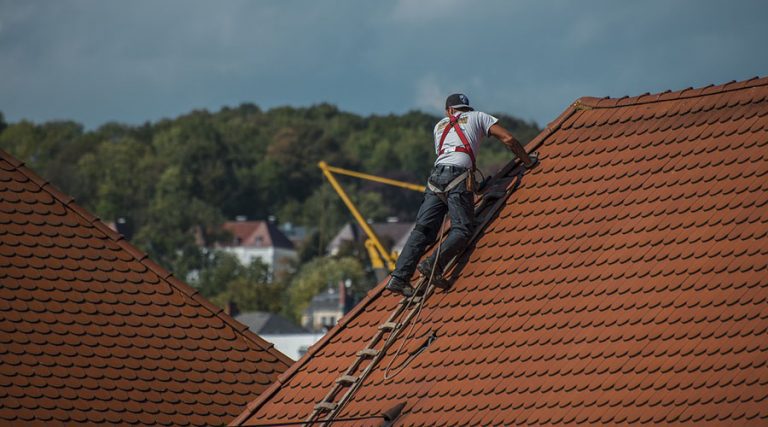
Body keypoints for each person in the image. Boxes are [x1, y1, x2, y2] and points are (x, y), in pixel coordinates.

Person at [385, 93, 538, 297]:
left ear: (449, 111)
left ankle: (399, 277)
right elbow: (508, 139)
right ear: (465, 109)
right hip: (457, 177)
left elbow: (450, 154)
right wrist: (528, 161)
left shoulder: (439, 126)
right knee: (463, 229)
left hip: (435, 179)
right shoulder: (479, 117)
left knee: (422, 230)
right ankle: (433, 264)